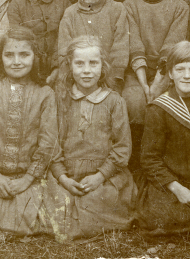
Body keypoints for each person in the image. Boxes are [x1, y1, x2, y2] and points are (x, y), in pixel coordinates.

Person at [0, 27, 60, 239]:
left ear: (35, 57)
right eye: (9, 55)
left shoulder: (45, 93)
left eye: (24, 54)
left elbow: (48, 141)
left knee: (35, 217)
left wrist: (28, 178)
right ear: (0, 58)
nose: (16, 61)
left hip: (30, 177)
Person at [47, 35, 135, 241]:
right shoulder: (59, 100)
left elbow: (122, 149)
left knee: (98, 205)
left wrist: (100, 176)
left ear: (103, 67)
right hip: (66, 176)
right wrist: (63, 177)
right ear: (69, 67)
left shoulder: (115, 101)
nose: (86, 70)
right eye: (79, 63)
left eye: (93, 63)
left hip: (103, 177)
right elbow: (51, 143)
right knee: (57, 207)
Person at [137, 41, 190, 235]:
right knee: (161, 217)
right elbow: (149, 158)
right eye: (180, 69)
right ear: (170, 73)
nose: (186, 76)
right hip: (173, 183)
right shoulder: (158, 109)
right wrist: (177, 188)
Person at [123, 0, 189, 162]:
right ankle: (138, 161)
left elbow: (170, 48)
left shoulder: (179, 6)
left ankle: (162, 158)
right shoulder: (128, 6)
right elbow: (135, 47)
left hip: (167, 72)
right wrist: (144, 86)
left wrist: (158, 85)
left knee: (166, 104)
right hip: (137, 72)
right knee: (134, 101)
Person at [57, 0, 131, 88]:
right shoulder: (70, 13)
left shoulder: (117, 9)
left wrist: (113, 79)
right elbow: (64, 49)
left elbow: (120, 48)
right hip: (78, 77)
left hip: (110, 79)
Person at [6, 0, 70, 85]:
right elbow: (18, 42)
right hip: (26, 70)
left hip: (57, 67)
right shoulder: (16, 5)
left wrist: (57, 67)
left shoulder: (64, 4)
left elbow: (63, 39)